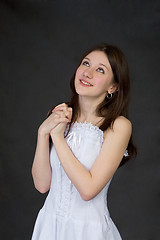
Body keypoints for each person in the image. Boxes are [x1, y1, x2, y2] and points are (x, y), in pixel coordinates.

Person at [31, 43, 136, 240]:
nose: (87, 72)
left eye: (100, 70)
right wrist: (42, 133)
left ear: (113, 86)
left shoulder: (119, 126)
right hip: (49, 226)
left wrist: (58, 138)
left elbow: (88, 190)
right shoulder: (60, 115)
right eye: (85, 63)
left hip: (88, 231)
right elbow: (42, 184)